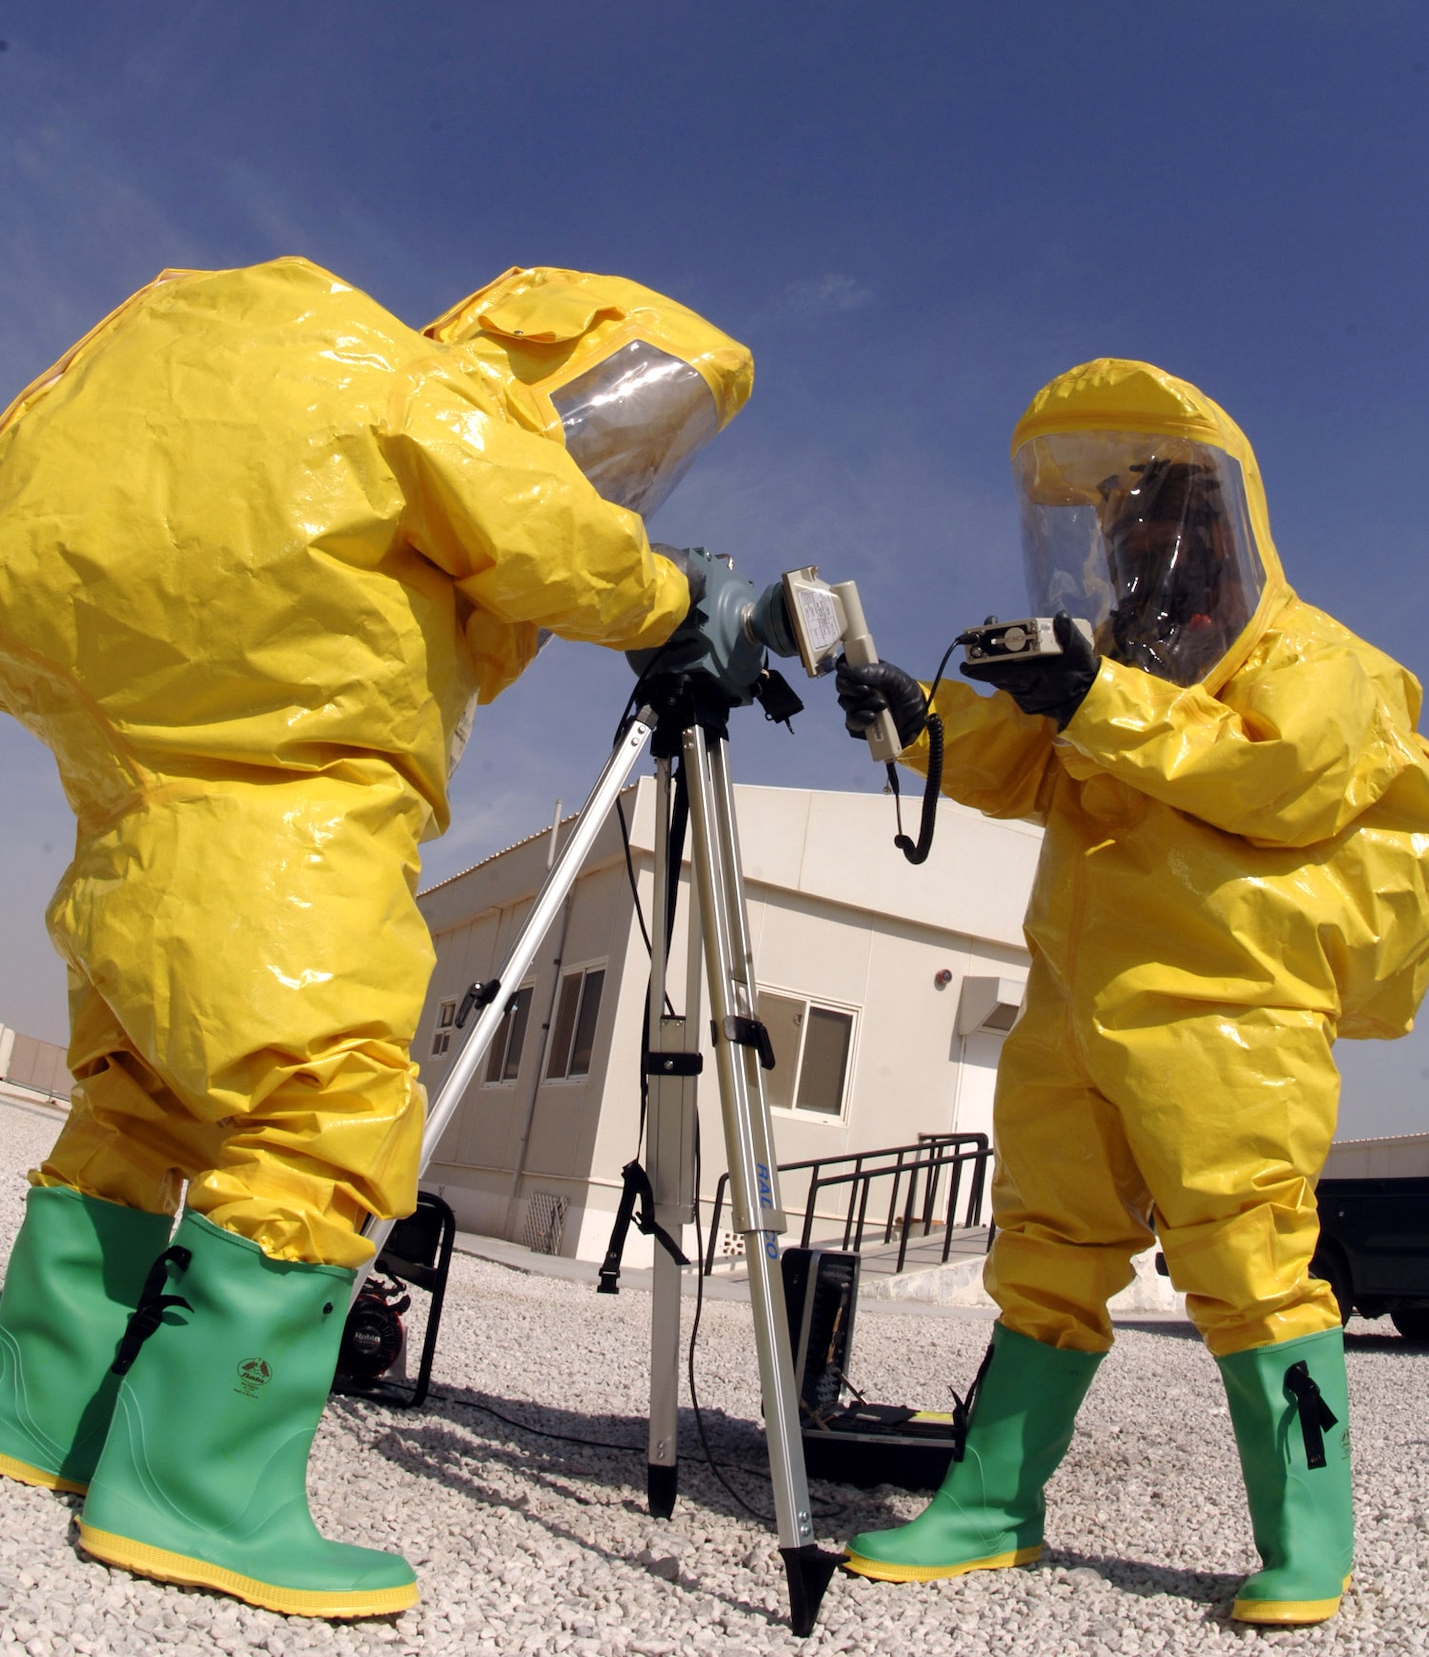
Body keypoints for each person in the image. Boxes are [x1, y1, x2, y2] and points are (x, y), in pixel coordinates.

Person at [0, 256, 751, 1619]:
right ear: (549, 353)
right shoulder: (440, 402)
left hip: (128, 820)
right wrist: (669, 604)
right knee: (325, 1120)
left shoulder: (292, 375)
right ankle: (198, 1491)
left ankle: (42, 1414)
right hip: (288, 829)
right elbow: (554, 540)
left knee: (141, 1107)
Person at [835, 356, 1429, 1627]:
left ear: (1224, 527)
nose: (1142, 553)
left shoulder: (1321, 660)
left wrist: (1094, 696)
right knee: (1044, 1249)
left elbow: (1279, 780)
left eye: (1166, 525)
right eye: (1123, 531)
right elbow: (1024, 759)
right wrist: (915, 715)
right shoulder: (1113, 670)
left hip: (1235, 1009)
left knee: (1251, 1261)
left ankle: (1307, 1536)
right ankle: (992, 1506)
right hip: (1072, 1002)